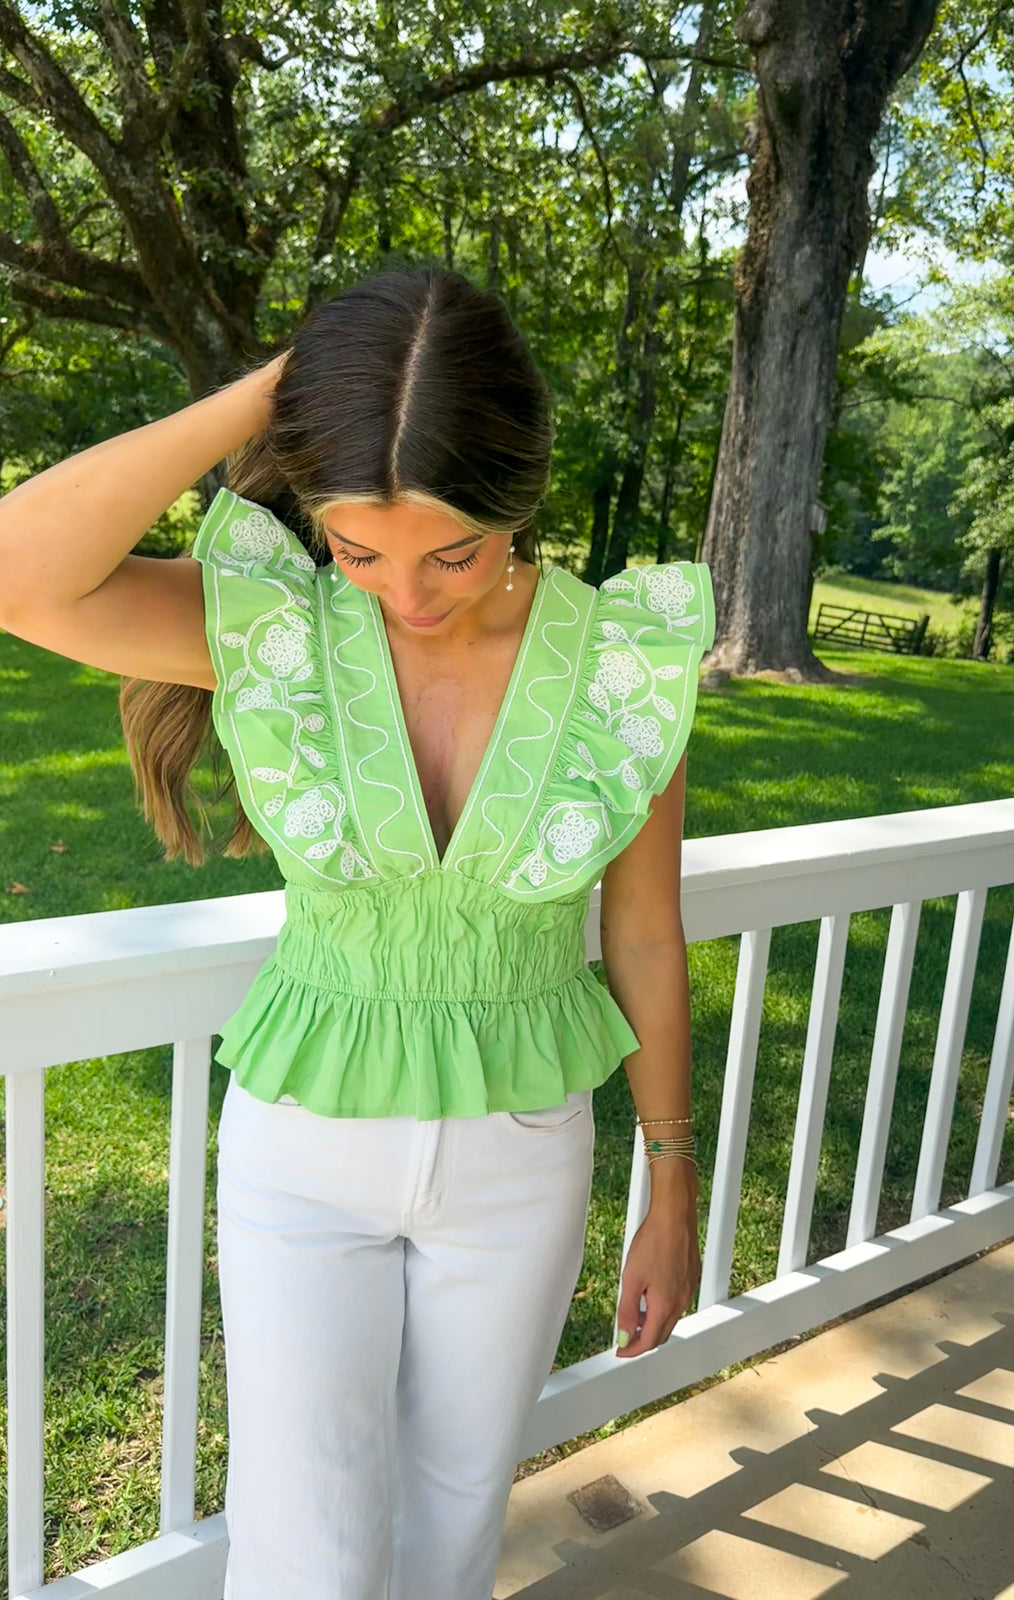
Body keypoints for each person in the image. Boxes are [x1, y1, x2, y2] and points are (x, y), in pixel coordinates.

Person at [0, 266, 715, 1600]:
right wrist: (280, 395)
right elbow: (18, 570)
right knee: (303, 1548)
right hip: (302, 1153)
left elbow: (648, 937)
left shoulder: (628, 662)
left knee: (451, 1527)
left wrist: (670, 1180)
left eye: (451, 549)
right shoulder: (279, 630)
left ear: (521, 495)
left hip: (522, 1155)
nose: (408, 596)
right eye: (359, 547)